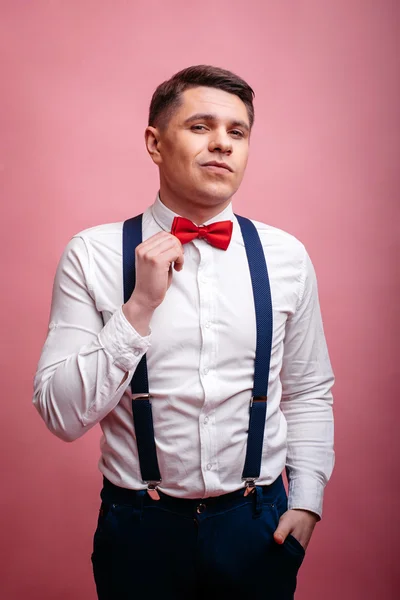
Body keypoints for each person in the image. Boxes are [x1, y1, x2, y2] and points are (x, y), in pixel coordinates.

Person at [33, 65, 335, 600]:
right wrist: (138, 309)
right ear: (154, 142)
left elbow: (309, 389)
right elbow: (61, 414)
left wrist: (307, 500)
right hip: (140, 529)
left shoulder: (287, 256)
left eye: (237, 132)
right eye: (200, 126)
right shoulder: (92, 253)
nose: (222, 143)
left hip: (258, 525)